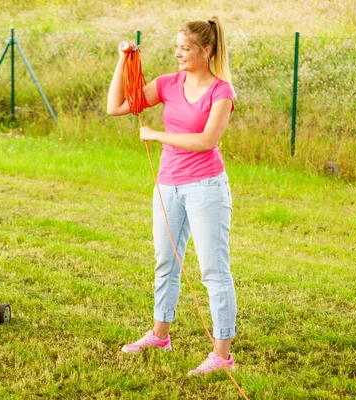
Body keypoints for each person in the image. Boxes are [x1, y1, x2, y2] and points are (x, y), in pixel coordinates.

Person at [106, 16, 238, 376]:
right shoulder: (167, 84)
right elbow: (116, 106)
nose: (178, 53)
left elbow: (206, 141)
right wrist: (123, 60)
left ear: (206, 51)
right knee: (165, 262)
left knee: (213, 271)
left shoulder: (221, 91)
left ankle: (222, 355)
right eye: (176, 47)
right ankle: (160, 335)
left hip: (206, 187)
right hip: (168, 185)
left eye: (185, 48)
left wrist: (157, 135)